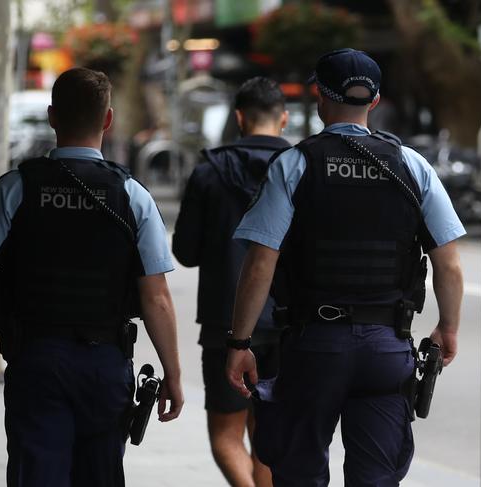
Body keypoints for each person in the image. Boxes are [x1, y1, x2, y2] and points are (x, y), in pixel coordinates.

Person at [225, 49, 465, 486]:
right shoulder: (413, 165)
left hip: (315, 346)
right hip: (387, 348)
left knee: (299, 471)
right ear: (374, 101)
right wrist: (448, 327)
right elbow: (448, 263)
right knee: (376, 477)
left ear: (320, 95)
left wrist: (240, 340)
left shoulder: (296, 165)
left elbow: (261, 263)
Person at [0, 67, 184, 487]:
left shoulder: (15, 188)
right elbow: (157, 299)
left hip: (35, 360)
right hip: (106, 365)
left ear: (52, 116)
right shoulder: (133, 196)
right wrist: (173, 374)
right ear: (108, 119)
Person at [173, 76, 289, 487]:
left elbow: (184, 253)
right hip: (289, 324)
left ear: (239, 118)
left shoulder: (209, 172)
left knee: (226, 437)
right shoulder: (300, 168)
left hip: (225, 323)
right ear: (285, 119)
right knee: (271, 439)